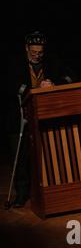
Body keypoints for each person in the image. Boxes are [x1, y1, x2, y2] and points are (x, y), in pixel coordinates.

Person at [5, 31, 74, 208]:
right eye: (33, 52)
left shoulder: (52, 61)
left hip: (46, 117)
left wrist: (53, 83)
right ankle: (22, 192)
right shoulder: (14, 63)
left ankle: (50, 189)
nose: (37, 56)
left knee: (49, 153)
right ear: (26, 48)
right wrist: (31, 88)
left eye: (40, 53)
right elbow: (9, 86)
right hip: (20, 117)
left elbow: (69, 77)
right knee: (21, 156)